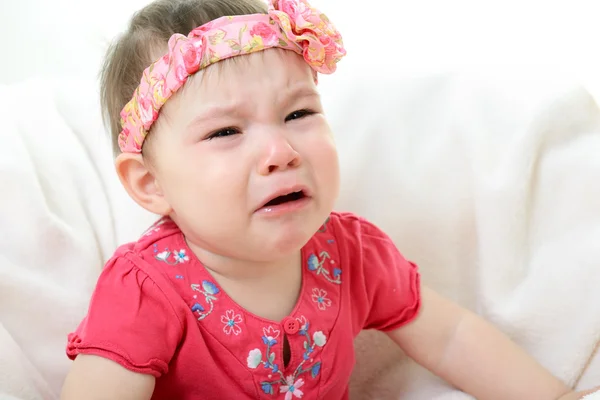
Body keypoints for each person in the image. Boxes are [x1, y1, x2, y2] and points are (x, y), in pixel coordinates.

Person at [60, 0, 599, 398]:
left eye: (298, 114)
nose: (280, 150)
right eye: (226, 132)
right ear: (150, 183)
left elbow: (451, 336)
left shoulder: (350, 253)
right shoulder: (146, 290)